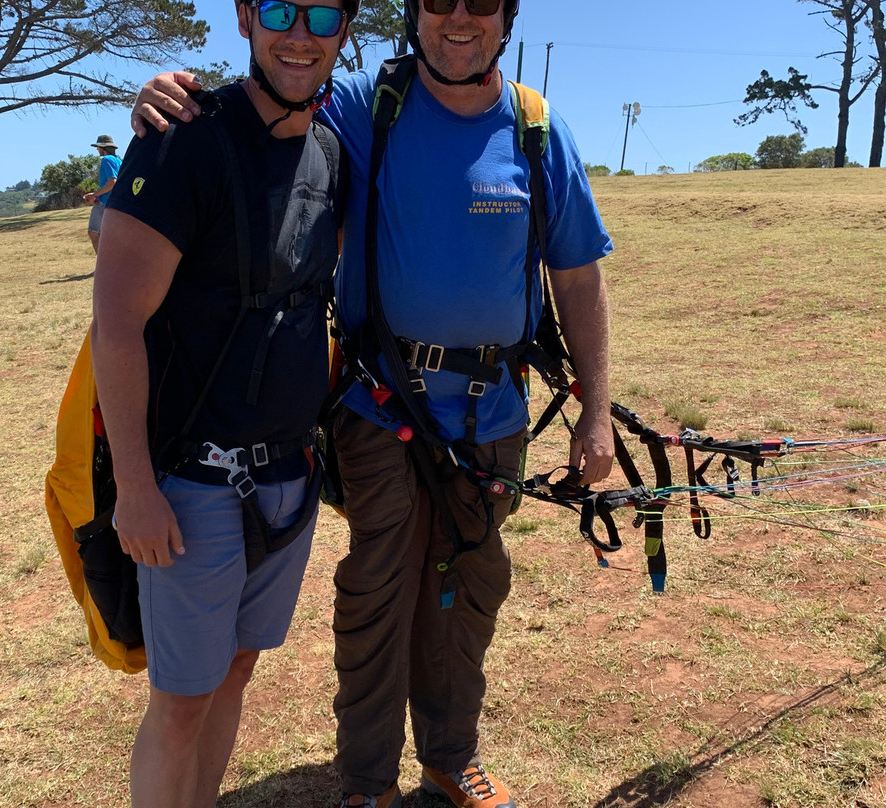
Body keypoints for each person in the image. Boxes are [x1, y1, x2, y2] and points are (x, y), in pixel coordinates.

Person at [131, 0, 615, 803]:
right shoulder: (364, 105)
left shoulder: (536, 129)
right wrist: (171, 102)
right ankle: (366, 782)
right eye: (437, 2)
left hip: (492, 417)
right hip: (382, 409)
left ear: (507, 18)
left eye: (480, 3)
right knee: (377, 591)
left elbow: (577, 275)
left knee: (469, 590)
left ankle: (451, 756)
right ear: (413, 15)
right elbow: (267, 104)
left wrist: (595, 412)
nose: (458, 19)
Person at [90, 0, 355, 805]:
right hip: (192, 485)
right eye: (279, 9)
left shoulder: (331, 152)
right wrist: (135, 488)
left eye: (323, 15)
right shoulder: (184, 139)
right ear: (245, 18)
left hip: (288, 477)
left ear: (345, 31)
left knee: (237, 669)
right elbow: (117, 326)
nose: (300, 34)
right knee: (181, 702)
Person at [83, 134, 122, 253]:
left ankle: (102, 264)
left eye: (98, 147)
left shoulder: (106, 160)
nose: (97, 149)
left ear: (103, 148)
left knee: (94, 232)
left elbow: (112, 182)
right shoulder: (119, 160)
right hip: (116, 202)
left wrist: (96, 195)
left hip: (105, 202)